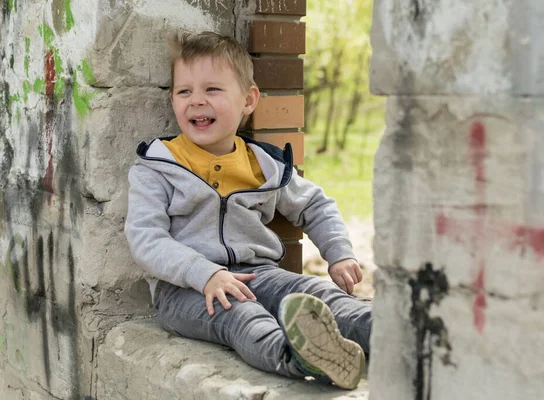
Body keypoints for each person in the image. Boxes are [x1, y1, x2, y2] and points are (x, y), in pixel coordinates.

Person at [124, 31, 371, 390]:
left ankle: (397, 331)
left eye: (212, 90)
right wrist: (205, 273)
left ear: (248, 100)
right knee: (243, 317)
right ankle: (303, 357)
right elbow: (145, 238)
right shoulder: (160, 165)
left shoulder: (263, 165)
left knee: (317, 295)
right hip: (185, 289)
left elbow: (315, 204)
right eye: (184, 91)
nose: (196, 101)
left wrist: (338, 253)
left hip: (259, 275)